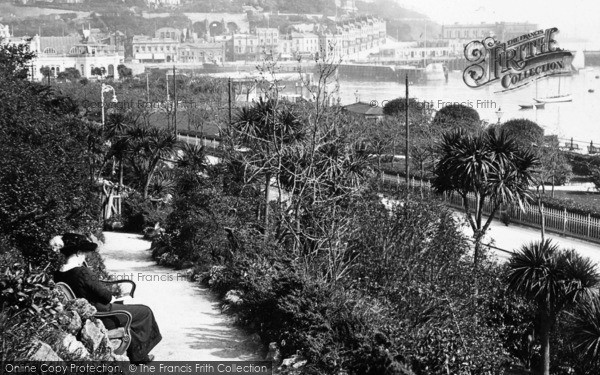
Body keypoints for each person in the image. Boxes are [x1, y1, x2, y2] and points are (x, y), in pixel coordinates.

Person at [52, 233, 161, 364]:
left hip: (88, 313)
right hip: (103, 313)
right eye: (84, 253)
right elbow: (105, 296)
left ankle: (136, 352)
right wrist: (114, 297)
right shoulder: (82, 272)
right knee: (145, 311)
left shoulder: (58, 273)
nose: (85, 256)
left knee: (135, 311)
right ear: (78, 253)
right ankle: (139, 356)